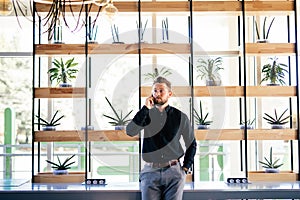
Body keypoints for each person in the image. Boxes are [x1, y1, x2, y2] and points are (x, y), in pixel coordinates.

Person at [126, 76, 197, 200]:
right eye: (154, 91)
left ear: (169, 94)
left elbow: (191, 144)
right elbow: (130, 131)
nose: (157, 94)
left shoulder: (180, 117)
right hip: (150, 172)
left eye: (161, 91)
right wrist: (145, 109)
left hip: (174, 172)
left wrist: (185, 168)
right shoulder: (146, 115)